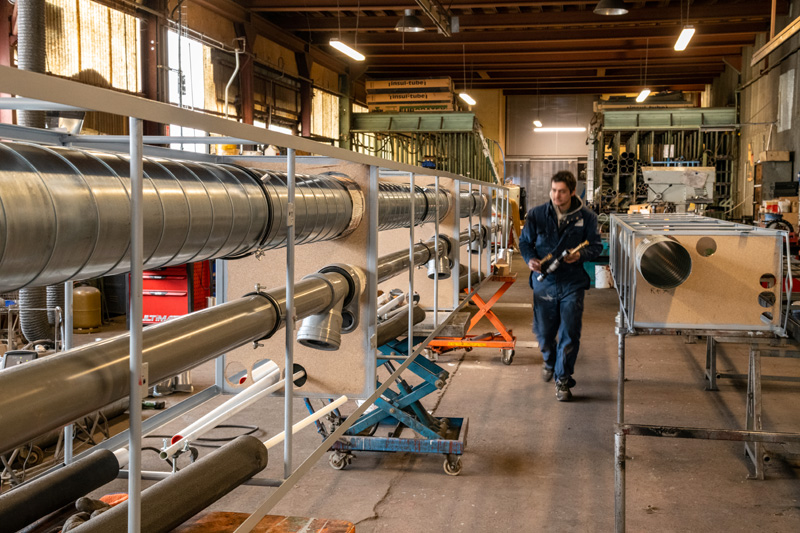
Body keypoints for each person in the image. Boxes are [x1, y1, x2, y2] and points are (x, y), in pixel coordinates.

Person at [518, 171, 602, 401]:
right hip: (543, 282)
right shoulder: (537, 214)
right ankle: (549, 361)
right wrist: (530, 260)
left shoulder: (587, 217)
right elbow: (524, 242)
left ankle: (563, 379)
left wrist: (580, 255)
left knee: (569, 332)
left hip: (571, 283)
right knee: (544, 333)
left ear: (572, 191)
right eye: (554, 190)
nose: (557, 195)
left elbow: (596, 247)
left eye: (562, 191)